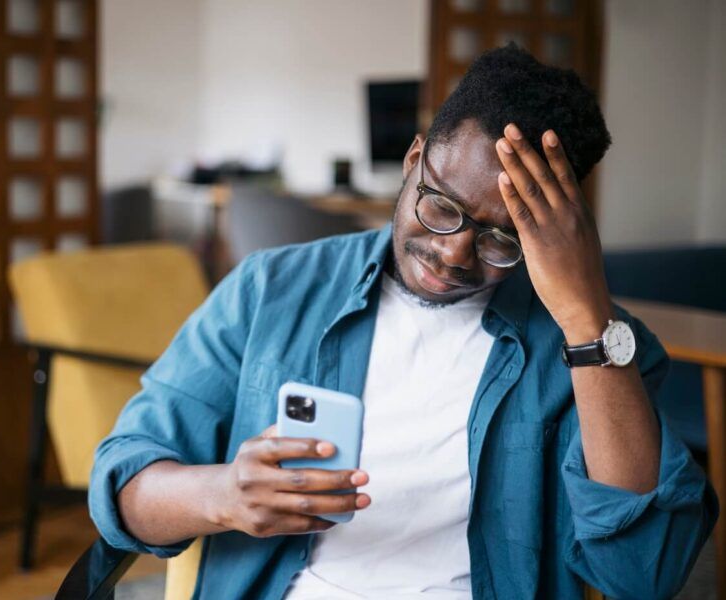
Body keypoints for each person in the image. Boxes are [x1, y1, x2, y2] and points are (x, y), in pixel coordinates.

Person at [89, 45, 717, 599]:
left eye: (502, 239)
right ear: (416, 155)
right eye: (440, 206)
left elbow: (643, 574)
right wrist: (223, 495)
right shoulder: (271, 291)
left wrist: (586, 318)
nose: (453, 253)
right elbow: (123, 486)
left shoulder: (601, 352)